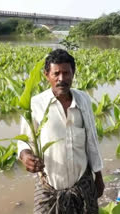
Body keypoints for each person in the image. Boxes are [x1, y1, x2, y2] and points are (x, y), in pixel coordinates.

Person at [18, 49, 105, 213]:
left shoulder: (83, 100)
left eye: (66, 73)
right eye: (56, 73)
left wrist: (98, 177)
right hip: (49, 187)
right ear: (46, 75)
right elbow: (24, 141)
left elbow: (91, 141)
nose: (61, 79)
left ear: (73, 73)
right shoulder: (35, 104)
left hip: (82, 183)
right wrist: (25, 156)